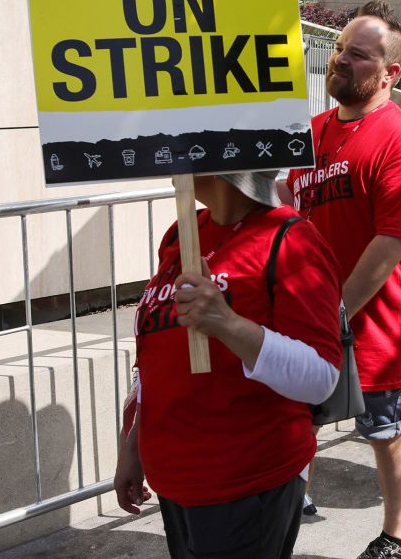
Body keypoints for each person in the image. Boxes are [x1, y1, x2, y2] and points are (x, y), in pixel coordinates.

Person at [114, 171, 343, 559]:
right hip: (175, 479)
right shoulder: (179, 234)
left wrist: (229, 324)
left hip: (246, 484)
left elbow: (321, 377)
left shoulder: (291, 240)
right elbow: (156, 355)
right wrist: (133, 445)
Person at [285, 1, 401, 559]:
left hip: (377, 327)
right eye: (340, 50)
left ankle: (398, 535)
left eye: (358, 54)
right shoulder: (314, 130)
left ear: (390, 72)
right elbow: (289, 203)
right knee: (296, 422)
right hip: (310, 317)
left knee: (387, 431)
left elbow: (393, 240)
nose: (340, 61)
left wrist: (337, 311)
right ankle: (288, 512)